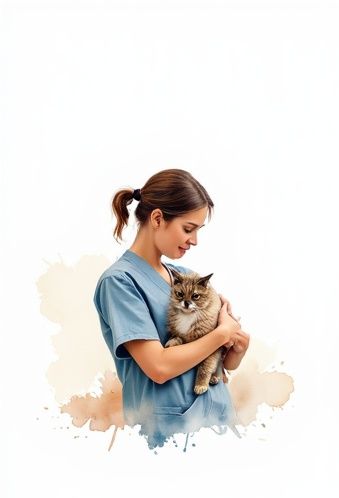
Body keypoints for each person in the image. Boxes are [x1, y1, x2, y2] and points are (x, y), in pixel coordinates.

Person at [94, 169, 250, 448]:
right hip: (168, 436)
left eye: (197, 231)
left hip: (220, 423)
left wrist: (234, 350)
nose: (194, 240)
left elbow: (217, 361)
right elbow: (159, 366)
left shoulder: (185, 277)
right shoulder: (119, 282)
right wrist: (222, 333)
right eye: (188, 229)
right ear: (157, 218)